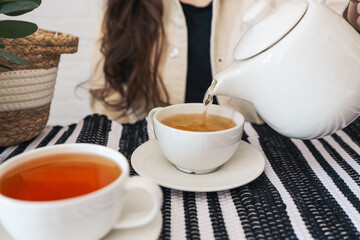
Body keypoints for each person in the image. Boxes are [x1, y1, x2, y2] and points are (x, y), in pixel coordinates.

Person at [89, 0, 360, 124]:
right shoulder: (124, 8)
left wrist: (350, 22)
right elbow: (107, 103)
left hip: (266, 151)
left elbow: (331, 18)